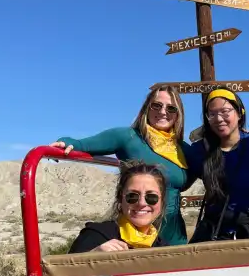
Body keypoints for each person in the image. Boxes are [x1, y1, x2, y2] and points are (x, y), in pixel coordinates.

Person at [49, 85, 195, 246]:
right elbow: (83, 144)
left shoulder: (183, 149)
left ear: (178, 114)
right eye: (157, 105)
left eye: (171, 108)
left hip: (175, 239)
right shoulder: (128, 137)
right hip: (133, 236)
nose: (162, 112)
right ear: (147, 107)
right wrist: (66, 143)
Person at [187, 88, 249, 242]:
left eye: (225, 111)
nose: (219, 118)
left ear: (240, 113)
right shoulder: (199, 150)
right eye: (212, 114)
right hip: (214, 232)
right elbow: (179, 181)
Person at [68, 160, 168, 254]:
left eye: (151, 197)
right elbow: (64, 270)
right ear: (120, 198)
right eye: (132, 196)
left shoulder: (164, 250)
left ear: (162, 201)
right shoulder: (95, 236)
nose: (141, 203)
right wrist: (92, 256)